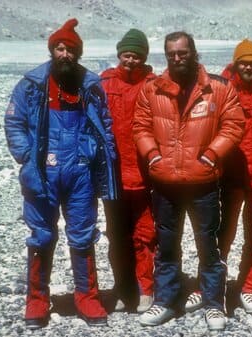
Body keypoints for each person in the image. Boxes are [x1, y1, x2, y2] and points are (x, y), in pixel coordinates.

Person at [4, 18, 117, 329]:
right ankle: (37, 300)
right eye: (59, 48)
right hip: (42, 172)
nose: (64, 53)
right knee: (41, 235)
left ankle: (87, 297)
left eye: (70, 49)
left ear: (78, 53)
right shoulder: (31, 84)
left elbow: (105, 125)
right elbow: (13, 123)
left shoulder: (90, 85)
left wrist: (102, 159)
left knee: (83, 236)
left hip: (81, 173)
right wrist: (26, 157)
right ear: (51, 50)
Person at [133, 31, 244, 330]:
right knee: (167, 245)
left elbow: (234, 124)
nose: (177, 58)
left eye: (182, 53)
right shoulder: (152, 89)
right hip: (165, 183)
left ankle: (213, 304)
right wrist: (153, 156)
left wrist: (211, 154)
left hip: (203, 183)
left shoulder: (218, 88)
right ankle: (165, 301)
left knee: (208, 246)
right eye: (171, 54)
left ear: (194, 52)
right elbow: (140, 125)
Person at [184, 39, 252, 315]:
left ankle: (250, 287)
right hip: (227, 177)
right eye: (243, 62)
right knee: (218, 235)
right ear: (235, 64)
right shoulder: (222, 92)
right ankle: (208, 286)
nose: (249, 67)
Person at [100, 28, 156, 313]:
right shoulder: (104, 83)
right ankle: (122, 288)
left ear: (144, 57)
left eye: (136, 56)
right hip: (112, 176)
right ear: (119, 55)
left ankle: (146, 288)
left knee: (145, 234)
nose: (130, 60)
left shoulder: (155, 84)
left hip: (146, 176)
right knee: (117, 235)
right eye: (126, 55)